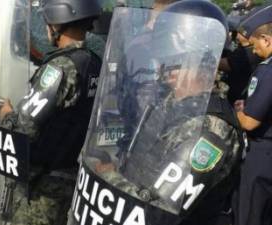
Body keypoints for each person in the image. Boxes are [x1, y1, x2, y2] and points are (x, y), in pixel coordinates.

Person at [94, 1, 243, 225]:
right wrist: (118, 168)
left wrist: (109, 177)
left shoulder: (211, 129)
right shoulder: (167, 101)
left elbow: (160, 207)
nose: (161, 64)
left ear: (192, 58)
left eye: (168, 56)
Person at [0, 0, 102, 224]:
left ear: (56, 25)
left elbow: (22, 129)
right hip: (71, 180)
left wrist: (6, 113)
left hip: (41, 188)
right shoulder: (94, 63)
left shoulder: (60, 68)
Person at [233, 4, 272, 225]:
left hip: (263, 157)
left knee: (250, 215)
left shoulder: (268, 69)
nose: (254, 51)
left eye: (255, 45)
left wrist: (237, 111)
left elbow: (248, 122)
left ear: (266, 40)